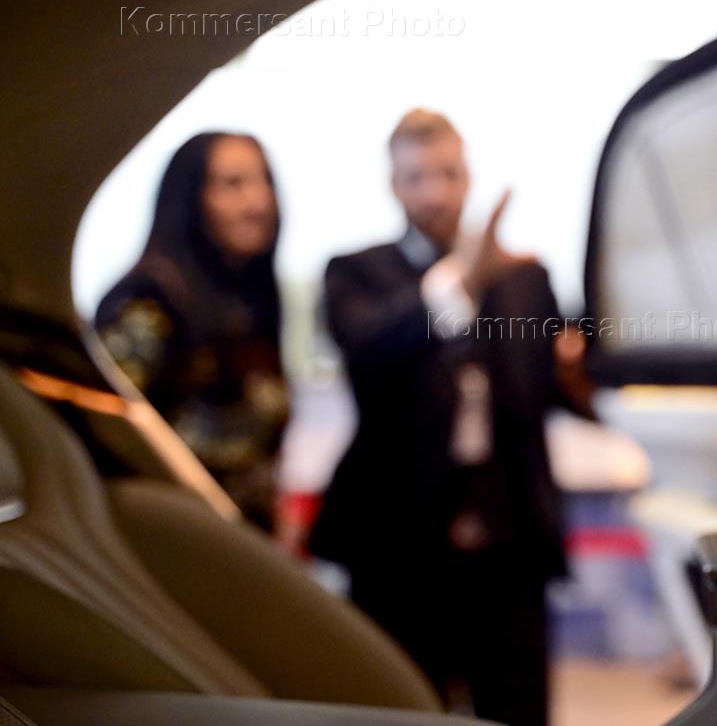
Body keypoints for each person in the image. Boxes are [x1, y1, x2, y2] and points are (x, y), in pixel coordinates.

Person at [308, 109, 565, 726]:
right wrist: (460, 282)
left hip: (508, 541)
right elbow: (368, 344)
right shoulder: (354, 273)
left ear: (468, 177)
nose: (436, 193)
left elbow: (552, 386)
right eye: (417, 177)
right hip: (398, 545)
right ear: (393, 186)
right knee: (400, 710)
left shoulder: (524, 278)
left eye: (448, 174)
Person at [96, 132, 289, 531]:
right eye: (232, 184)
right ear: (190, 198)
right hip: (170, 536)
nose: (258, 202)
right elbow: (107, 434)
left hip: (243, 537)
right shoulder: (148, 300)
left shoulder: (252, 300)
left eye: (264, 180)